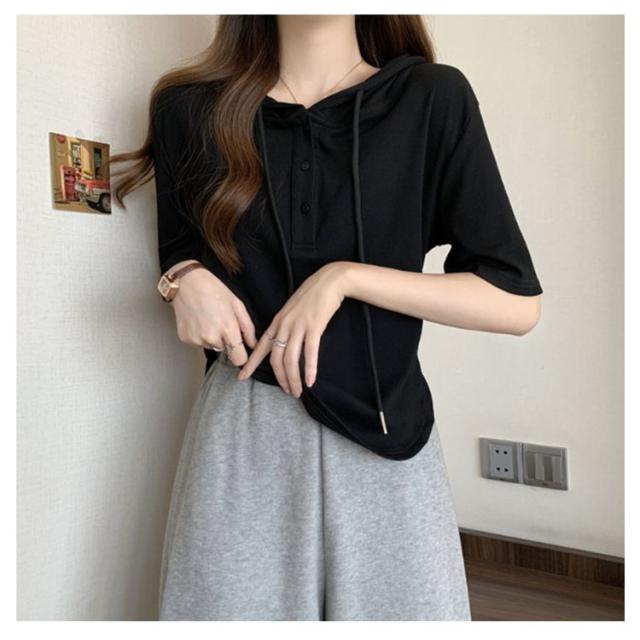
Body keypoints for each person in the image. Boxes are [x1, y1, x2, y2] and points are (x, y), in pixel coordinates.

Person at [112, 15, 543, 621]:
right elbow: (179, 252)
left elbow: (515, 301)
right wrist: (180, 280)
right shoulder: (189, 108)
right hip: (246, 430)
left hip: (386, 431)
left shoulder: (430, 98)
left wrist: (343, 278)